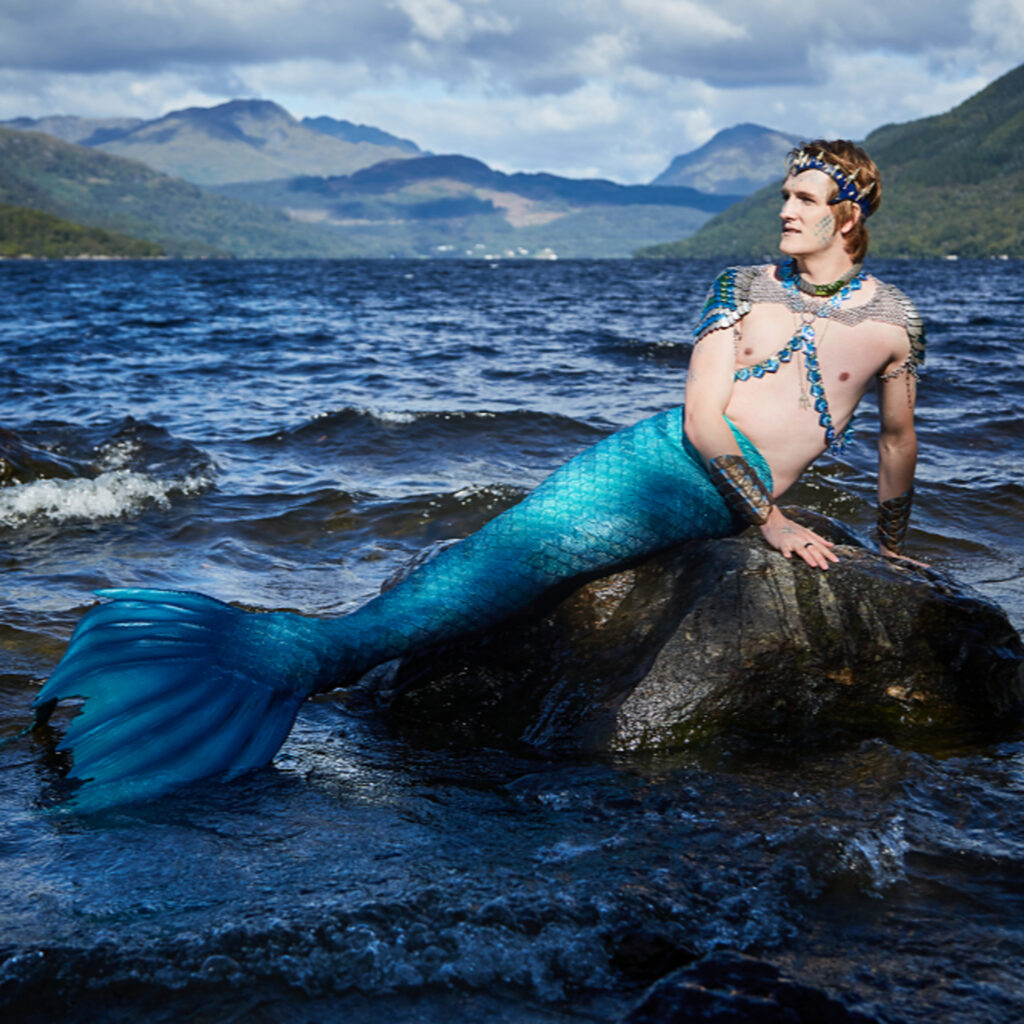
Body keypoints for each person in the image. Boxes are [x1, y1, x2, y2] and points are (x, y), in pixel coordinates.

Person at [32, 140, 923, 812]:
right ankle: (248, 669)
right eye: (783, 196)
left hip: (709, 497)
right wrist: (772, 521)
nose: (785, 211)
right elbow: (700, 418)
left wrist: (891, 549)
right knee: (498, 570)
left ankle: (227, 681)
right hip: (657, 468)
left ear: (848, 215)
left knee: (497, 578)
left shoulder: (895, 322)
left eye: (804, 199)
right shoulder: (740, 286)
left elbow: (896, 441)